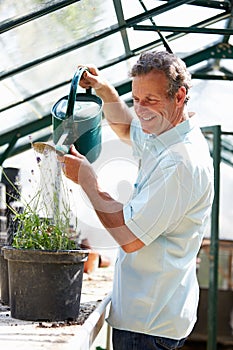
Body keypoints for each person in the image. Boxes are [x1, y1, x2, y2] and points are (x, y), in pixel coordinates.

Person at [59, 50, 214, 350]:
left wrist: (88, 181)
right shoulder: (164, 132)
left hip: (149, 325)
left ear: (179, 95)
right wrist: (105, 91)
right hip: (150, 316)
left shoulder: (180, 163)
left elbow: (129, 237)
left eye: (150, 100)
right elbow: (125, 127)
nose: (141, 109)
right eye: (136, 99)